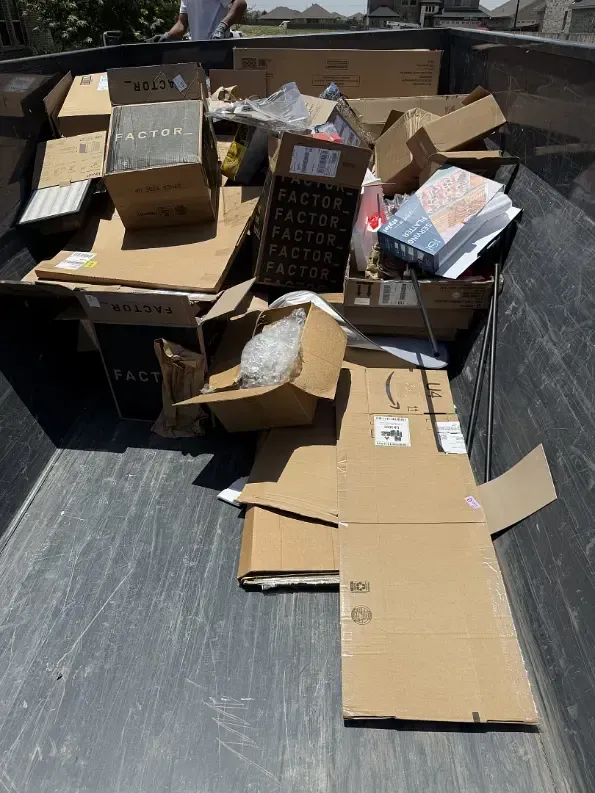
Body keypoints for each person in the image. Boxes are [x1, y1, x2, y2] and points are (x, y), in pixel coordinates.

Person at [148, 0, 247, 41]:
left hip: (220, 47)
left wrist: (222, 27)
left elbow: (240, 3)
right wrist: (167, 36)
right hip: (199, 50)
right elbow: (181, 24)